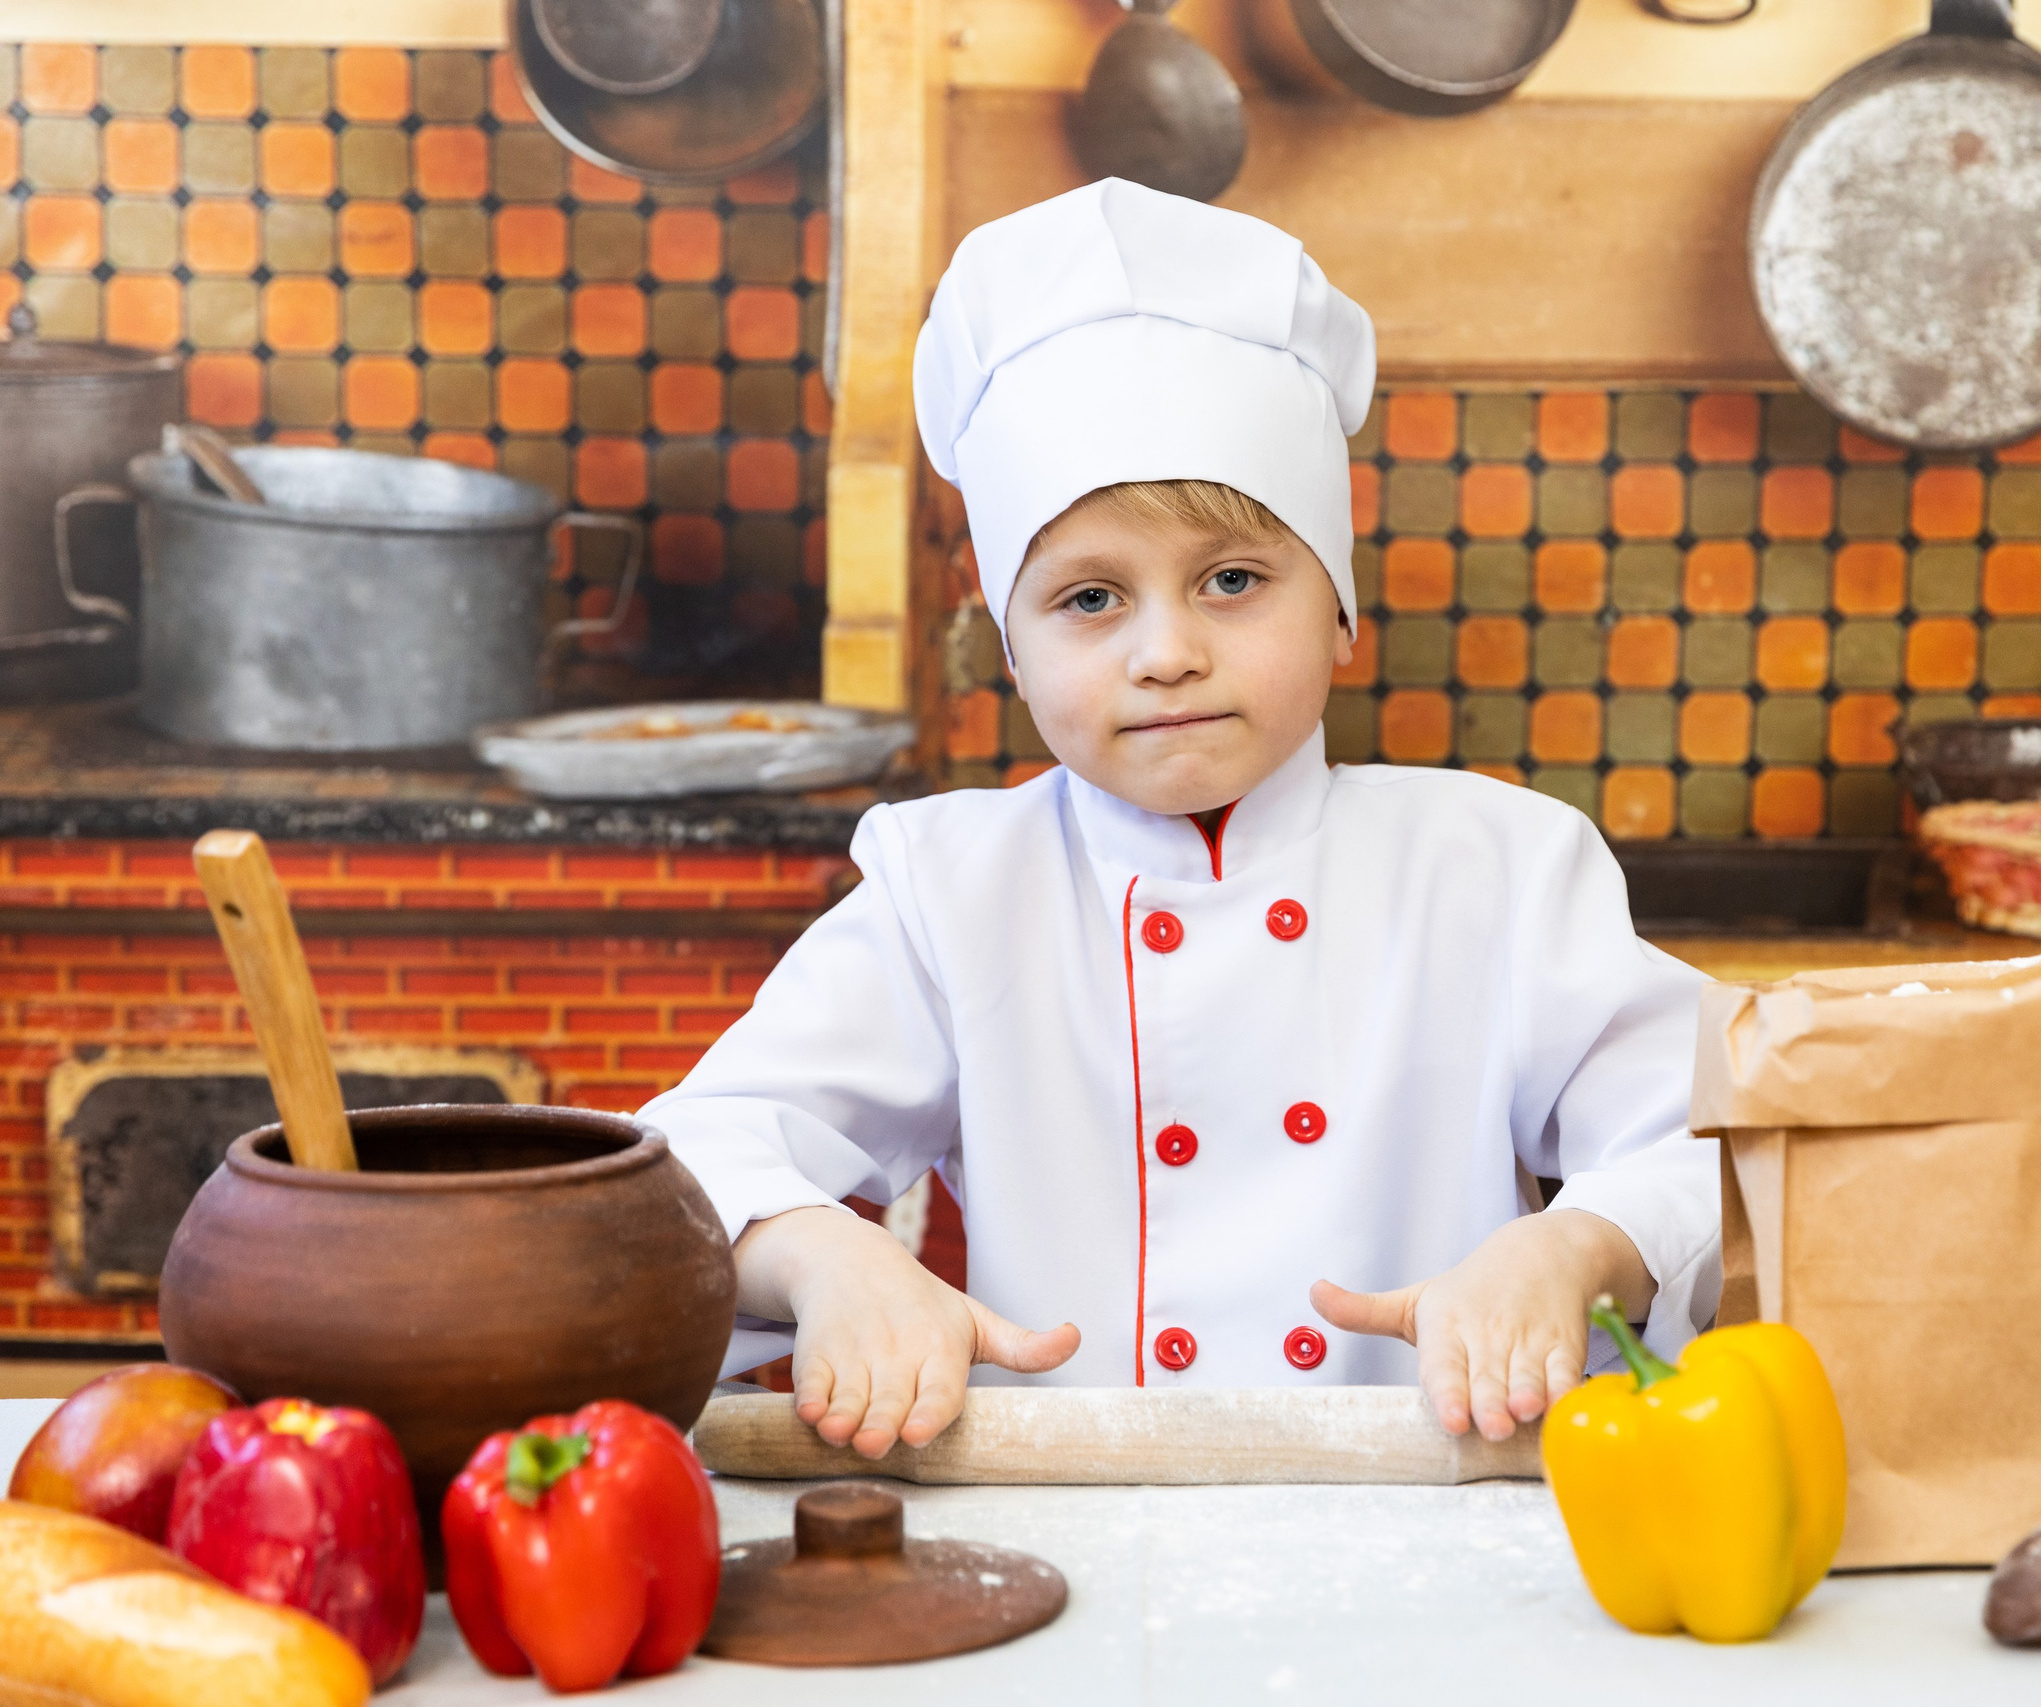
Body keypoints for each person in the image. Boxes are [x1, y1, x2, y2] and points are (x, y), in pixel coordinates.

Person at [642, 178, 1721, 1463]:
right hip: (1069, 1541)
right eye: (1090, 599)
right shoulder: (953, 893)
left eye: (1231, 580)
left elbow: (1714, 1140)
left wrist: (1575, 1247)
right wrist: (823, 1260)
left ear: (1339, 608)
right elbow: (688, 1163)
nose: (1166, 653)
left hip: (1440, 1511)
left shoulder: (1496, 870)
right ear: (1014, 654)